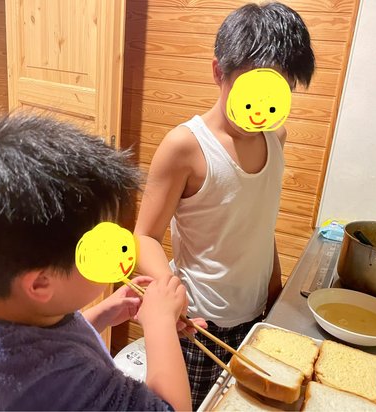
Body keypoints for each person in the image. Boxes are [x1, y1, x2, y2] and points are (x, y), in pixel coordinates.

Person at [0, 113, 196, 411]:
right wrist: (160, 326)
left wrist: (104, 313)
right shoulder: (52, 385)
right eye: (99, 250)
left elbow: (48, 346)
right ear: (40, 284)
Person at [134, 2, 316, 408]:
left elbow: (258, 223)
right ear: (219, 72)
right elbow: (144, 236)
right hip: (200, 323)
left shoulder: (276, 137)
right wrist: (170, 297)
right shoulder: (185, 146)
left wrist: (275, 292)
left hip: (257, 315)